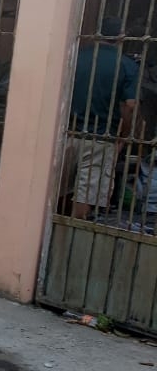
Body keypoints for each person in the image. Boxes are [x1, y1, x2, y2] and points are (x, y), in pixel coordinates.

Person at [66, 15, 139, 219]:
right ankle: (70, 237)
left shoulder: (77, 57)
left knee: (57, 188)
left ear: (97, 35)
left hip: (67, 132)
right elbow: (130, 106)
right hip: (100, 138)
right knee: (85, 193)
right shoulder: (126, 65)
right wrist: (122, 137)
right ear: (121, 38)